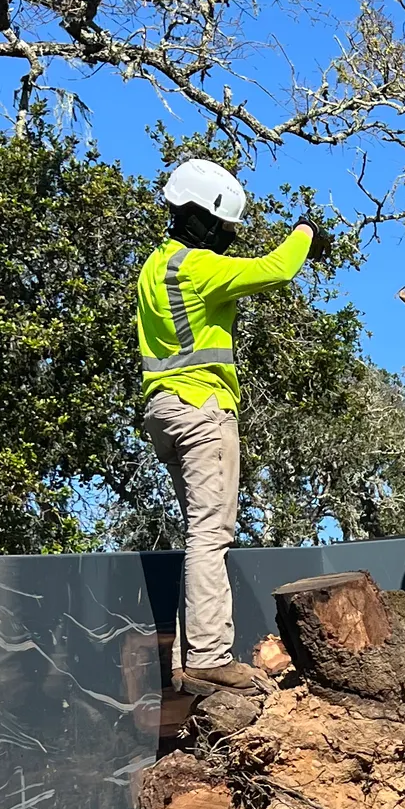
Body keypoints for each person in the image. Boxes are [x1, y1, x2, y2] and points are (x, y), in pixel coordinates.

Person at [137, 159, 327, 689]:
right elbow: (276, 269)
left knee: (198, 533)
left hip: (164, 409)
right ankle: (210, 657)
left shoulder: (155, 265)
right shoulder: (197, 267)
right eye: (222, 228)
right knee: (211, 536)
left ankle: (186, 663)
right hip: (202, 408)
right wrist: (306, 232)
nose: (225, 238)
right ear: (199, 217)